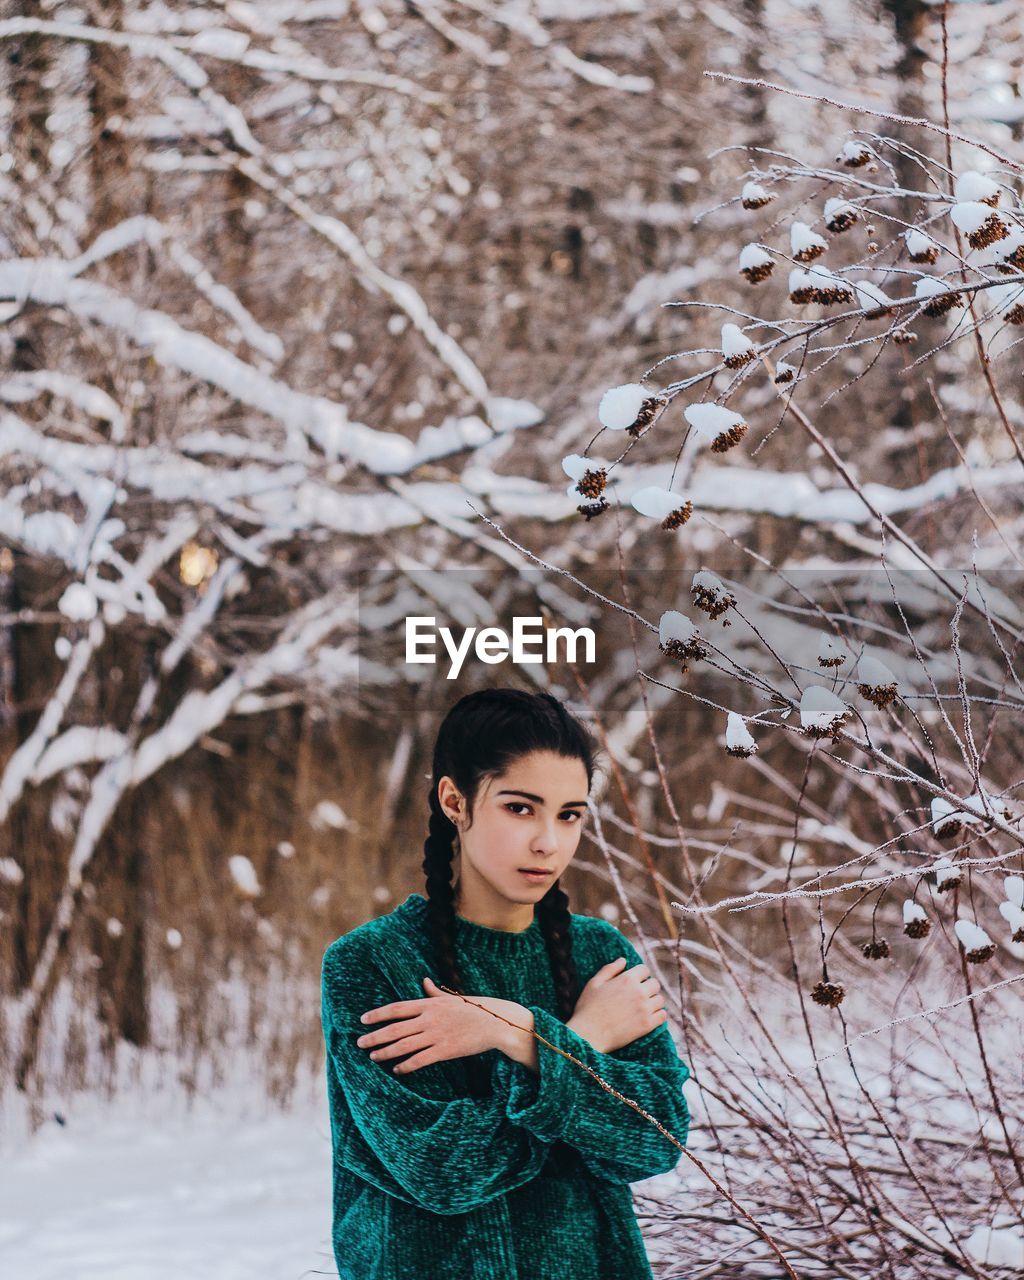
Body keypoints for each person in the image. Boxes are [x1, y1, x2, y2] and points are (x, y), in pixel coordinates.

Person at [320, 687, 691, 1279]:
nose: (549, 841)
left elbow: (655, 1139)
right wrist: (584, 1037)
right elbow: (440, 1169)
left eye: (569, 814)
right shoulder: (372, 964)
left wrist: (517, 1031)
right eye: (521, 808)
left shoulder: (600, 956)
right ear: (455, 801)